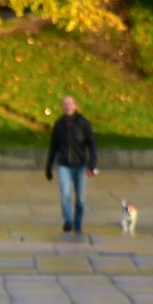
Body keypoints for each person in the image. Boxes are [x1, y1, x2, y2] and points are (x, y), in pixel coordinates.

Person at [46, 95, 98, 235]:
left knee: (80, 198)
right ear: (62, 107)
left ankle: (78, 222)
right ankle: (68, 221)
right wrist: (49, 167)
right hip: (64, 165)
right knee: (66, 194)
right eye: (65, 104)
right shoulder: (59, 125)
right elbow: (53, 147)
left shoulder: (83, 123)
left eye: (70, 104)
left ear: (75, 106)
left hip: (80, 165)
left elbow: (92, 145)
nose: (68, 106)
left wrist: (92, 163)